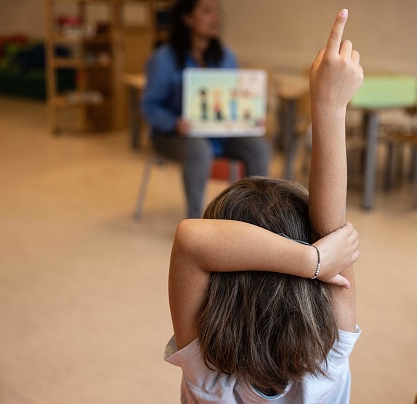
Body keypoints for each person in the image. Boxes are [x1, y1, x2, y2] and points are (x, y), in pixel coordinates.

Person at [163, 9, 364, 403]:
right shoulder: (330, 365)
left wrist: (313, 260)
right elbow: (329, 230)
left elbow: (192, 239)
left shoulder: (207, 376)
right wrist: (329, 106)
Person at [141, 0, 271, 218]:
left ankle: (256, 219)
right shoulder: (163, 59)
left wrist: (251, 117)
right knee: (199, 149)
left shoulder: (226, 56)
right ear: (187, 19)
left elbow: (234, 101)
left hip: (220, 134)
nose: (215, 17)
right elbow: (149, 106)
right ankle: (195, 222)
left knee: (259, 147)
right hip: (172, 136)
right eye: (207, 11)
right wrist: (174, 123)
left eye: (217, 11)